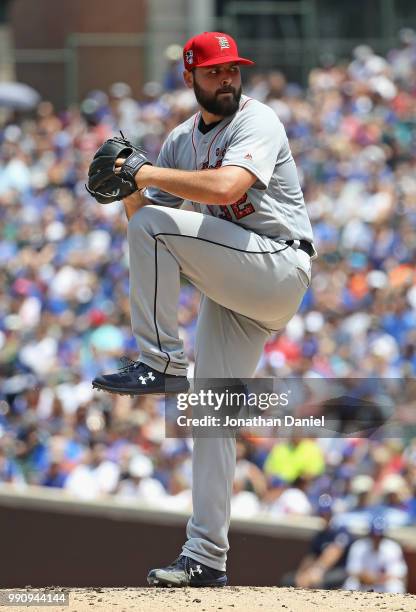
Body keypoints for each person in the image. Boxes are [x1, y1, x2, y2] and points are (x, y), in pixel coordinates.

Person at [92, 31, 316, 587]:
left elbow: (225, 188)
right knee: (211, 415)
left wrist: (140, 174)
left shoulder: (256, 119)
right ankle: (206, 558)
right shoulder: (179, 142)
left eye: (233, 69)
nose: (227, 79)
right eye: (214, 72)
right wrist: (125, 184)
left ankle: (163, 362)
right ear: (189, 77)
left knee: (154, 229)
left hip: (278, 264)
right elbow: (147, 216)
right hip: (236, 286)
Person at [280, 494, 352, 589]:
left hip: (337, 570)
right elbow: (311, 556)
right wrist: (302, 573)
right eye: (322, 513)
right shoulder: (320, 534)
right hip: (317, 570)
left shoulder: (340, 530)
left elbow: (334, 552)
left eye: (327, 513)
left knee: (321, 581)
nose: (324, 516)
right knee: (289, 580)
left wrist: (317, 570)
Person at [343, 516, 407, 593]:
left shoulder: (392, 548)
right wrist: (365, 576)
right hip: (363, 584)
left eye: (379, 536)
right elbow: (351, 570)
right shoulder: (359, 546)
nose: (376, 538)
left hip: (383, 585)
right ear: (369, 534)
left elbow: (399, 573)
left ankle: (395, 605)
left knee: (395, 586)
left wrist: (379, 578)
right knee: (351, 583)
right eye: (374, 535)